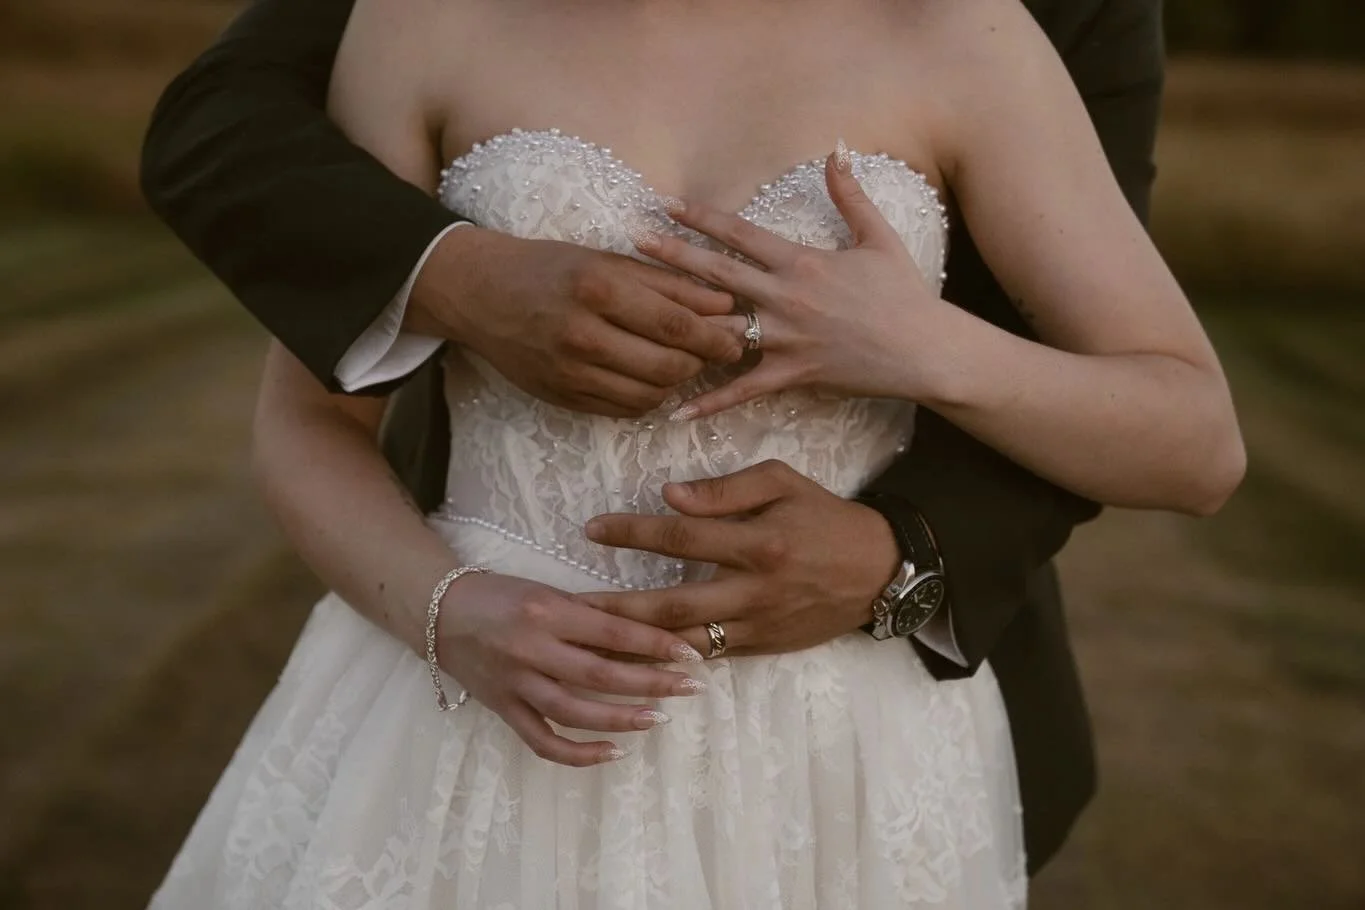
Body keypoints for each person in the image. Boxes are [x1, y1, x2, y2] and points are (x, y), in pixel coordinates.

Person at [141, 0, 1242, 904]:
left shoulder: (966, 37)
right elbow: (306, 422)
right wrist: (454, 612)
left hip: (830, 747)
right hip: (477, 708)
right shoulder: (422, 21)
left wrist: (923, 346)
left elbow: (1195, 440)